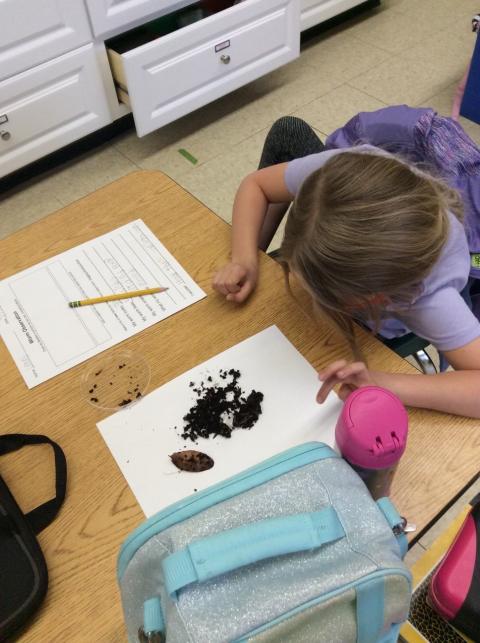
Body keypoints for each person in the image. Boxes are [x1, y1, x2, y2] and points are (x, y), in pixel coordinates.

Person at [212, 108, 480, 418]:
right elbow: (256, 185)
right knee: (289, 130)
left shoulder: (428, 298)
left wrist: (378, 381)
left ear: (374, 298)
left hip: (381, 328)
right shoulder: (338, 174)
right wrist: (245, 258)